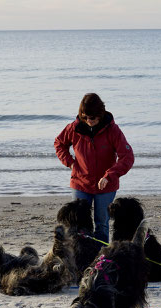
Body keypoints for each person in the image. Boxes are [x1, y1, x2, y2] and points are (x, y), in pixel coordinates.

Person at [54, 93, 134, 242]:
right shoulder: (74, 128)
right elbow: (59, 143)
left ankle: (100, 259)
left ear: (100, 114)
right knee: (78, 225)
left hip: (106, 186)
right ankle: (80, 256)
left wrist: (110, 175)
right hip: (80, 183)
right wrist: (70, 162)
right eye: (85, 117)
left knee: (101, 224)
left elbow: (127, 157)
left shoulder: (113, 130)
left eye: (92, 118)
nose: (89, 121)